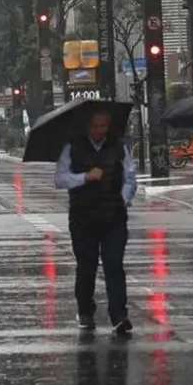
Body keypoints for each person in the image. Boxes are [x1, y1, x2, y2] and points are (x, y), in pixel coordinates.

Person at [54, 108, 137, 335]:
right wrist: (85, 177)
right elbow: (60, 179)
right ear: (87, 126)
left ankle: (119, 315)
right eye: (96, 126)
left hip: (114, 217)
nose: (100, 130)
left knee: (114, 265)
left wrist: (124, 197)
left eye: (104, 126)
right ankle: (85, 310)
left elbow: (130, 178)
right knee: (87, 266)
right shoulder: (73, 147)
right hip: (83, 217)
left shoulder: (119, 148)